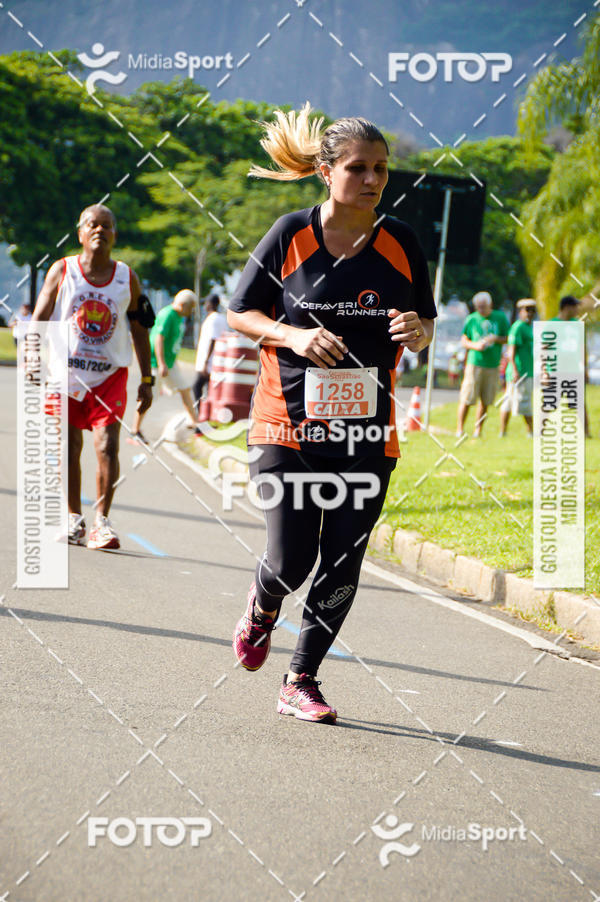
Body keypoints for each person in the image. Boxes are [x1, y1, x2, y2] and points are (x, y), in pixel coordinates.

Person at [227, 104, 436, 723]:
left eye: (381, 169)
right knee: (291, 559)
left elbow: (424, 323)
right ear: (326, 171)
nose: (372, 180)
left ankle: (302, 679)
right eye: (358, 168)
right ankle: (262, 605)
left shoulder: (402, 242)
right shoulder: (290, 233)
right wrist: (292, 337)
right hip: (286, 421)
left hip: (367, 429)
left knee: (343, 557)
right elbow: (241, 313)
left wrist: (416, 331)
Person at [31, 204, 153, 548]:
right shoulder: (62, 270)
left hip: (108, 376)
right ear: (80, 233)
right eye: (92, 225)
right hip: (66, 375)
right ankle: (74, 519)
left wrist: (147, 378)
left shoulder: (126, 277)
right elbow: (40, 315)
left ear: (115, 235)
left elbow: (140, 329)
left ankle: (102, 522)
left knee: (107, 445)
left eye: (107, 226)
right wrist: (30, 354)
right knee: (69, 447)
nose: (99, 230)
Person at [131, 288, 197, 441]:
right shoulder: (168, 315)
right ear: (183, 305)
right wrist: (162, 363)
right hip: (157, 363)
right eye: (191, 308)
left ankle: (195, 422)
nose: (191, 311)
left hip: (170, 363)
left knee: (184, 389)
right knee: (148, 396)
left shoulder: (178, 317)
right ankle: (135, 430)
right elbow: (158, 339)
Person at [456, 291, 509, 437]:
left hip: (492, 365)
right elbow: (464, 340)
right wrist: (475, 345)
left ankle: (477, 430)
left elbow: (508, 338)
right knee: (467, 397)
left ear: (490, 304)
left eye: (483, 306)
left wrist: (495, 339)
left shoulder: (500, 317)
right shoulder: (471, 319)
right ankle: (459, 429)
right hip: (474, 363)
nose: (481, 310)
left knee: (486, 400)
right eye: (478, 307)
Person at [499, 298, 536, 437]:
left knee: (511, 401)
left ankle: (504, 432)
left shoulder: (528, 327)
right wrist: (515, 370)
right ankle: (530, 432)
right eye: (527, 310)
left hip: (528, 370)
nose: (530, 313)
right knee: (522, 402)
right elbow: (511, 351)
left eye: (532, 310)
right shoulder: (518, 327)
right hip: (520, 372)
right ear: (520, 311)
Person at [193, 293, 227, 415]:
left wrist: (205, 362)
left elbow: (213, 340)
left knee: (197, 388)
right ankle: (207, 417)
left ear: (210, 304)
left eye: (206, 303)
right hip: (216, 361)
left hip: (209, 362)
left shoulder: (213, 319)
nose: (204, 306)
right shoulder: (221, 318)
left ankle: (201, 417)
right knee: (210, 391)